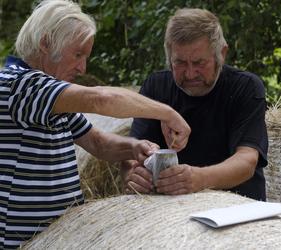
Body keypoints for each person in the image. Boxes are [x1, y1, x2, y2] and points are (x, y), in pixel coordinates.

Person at [0, 1, 191, 249]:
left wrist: (135, 147)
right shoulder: (21, 85)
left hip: (57, 237)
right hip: (22, 242)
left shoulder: (52, 97)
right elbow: (101, 99)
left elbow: (98, 143)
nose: (83, 67)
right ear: (46, 43)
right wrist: (166, 113)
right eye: (77, 54)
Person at [122, 8, 268, 201]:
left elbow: (246, 162)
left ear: (221, 54)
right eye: (180, 63)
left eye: (199, 63)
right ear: (169, 58)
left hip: (238, 206)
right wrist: (131, 174)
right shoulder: (156, 86)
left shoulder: (245, 87)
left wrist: (198, 179)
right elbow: (132, 150)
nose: (190, 74)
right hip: (168, 212)